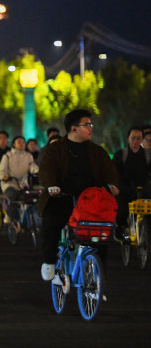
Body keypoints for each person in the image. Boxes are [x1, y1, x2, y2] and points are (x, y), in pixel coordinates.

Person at [37, 109, 119, 282]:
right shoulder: (56, 149)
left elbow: (109, 170)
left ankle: (98, 278)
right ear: (73, 128)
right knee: (51, 222)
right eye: (86, 125)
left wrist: (111, 184)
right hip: (62, 197)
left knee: (100, 233)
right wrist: (52, 185)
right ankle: (50, 262)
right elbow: (46, 169)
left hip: (90, 201)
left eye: (91, 125)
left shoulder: (97, 151)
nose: (91, 128)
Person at [112, 126, 151, 240]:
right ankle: (120, 229)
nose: (135, 141)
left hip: (143, 192)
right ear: (128, 138)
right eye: (133, 138)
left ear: (142, 140)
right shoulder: (120, 154)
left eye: (138, 138)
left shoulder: (148, 155)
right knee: (122, 210)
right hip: (124, 191)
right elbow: (114, 173)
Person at [0, 136, 39, 226]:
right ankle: (10, 215)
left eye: (23, 142)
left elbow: (32, 166)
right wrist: (4, 176)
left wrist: (37, 171)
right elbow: (2, 169)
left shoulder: (28, 156)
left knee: (31, 198)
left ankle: (28, 219)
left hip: (23, 184)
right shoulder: (7, 155)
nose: (21, 144)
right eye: (19, 142)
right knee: (14, 196)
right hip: (9, 183)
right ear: (13, 144)